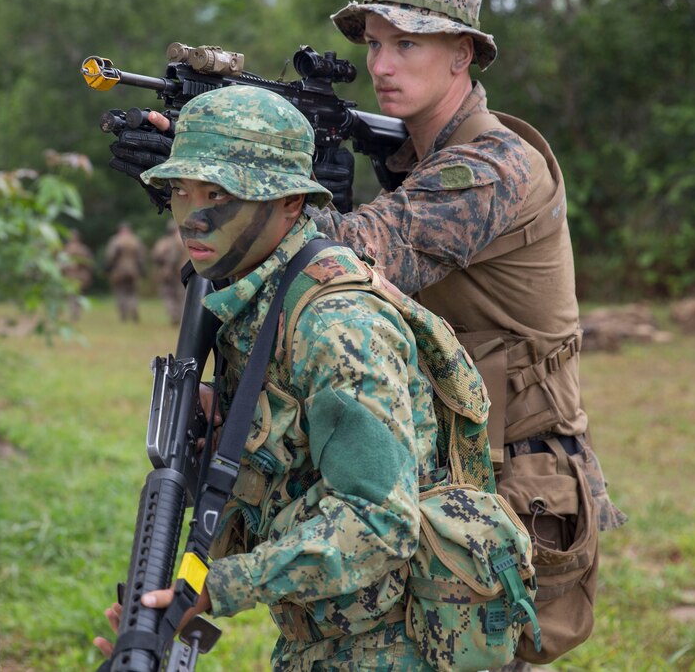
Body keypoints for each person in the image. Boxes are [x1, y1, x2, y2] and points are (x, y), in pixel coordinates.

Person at [105, 0, 625, 667]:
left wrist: (228, 172)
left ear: (462, 54)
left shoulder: (496, 165)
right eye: (374, 42)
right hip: (432, 461)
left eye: (407, 43)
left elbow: (350, 251)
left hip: (514, 476)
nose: (382, 61)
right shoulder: (409, 157)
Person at [94, 84, 477, 669]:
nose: (190, 218)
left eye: (218, 193)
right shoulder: (258, 296)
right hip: (327, 635)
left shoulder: (336, 325)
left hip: (397, 646)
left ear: (291, 204)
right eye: (178, 191)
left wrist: (218, 589)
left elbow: (380, 521)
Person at [103, 221, 147, 322]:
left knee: (120, 292)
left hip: (119, 271)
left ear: (120, 230)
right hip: (133, 270)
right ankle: (133, 309)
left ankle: (123, 315)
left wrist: (107, 269)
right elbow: (141, 258)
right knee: (132, 292)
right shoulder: (135, 240)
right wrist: (142, 270)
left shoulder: (115, 240)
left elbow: (110, 256)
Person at [151, 219, 190, 325]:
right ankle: (182, 317)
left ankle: (174, 314)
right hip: (184, 271)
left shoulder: (163, 242)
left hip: (167, 272)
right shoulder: (184, 240)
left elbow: (155, 257)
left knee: (168, 294)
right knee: (181, 294)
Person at [61, 229, 95, 321]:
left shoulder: (66, 249)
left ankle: (74, 312)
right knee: (79, 295)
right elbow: (90, 264)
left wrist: (62, 274)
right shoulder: (84, 249)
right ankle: (77, 312)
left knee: (71, 296)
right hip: (81, 277)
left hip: (70, 276)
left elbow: (61, 265)